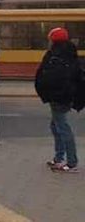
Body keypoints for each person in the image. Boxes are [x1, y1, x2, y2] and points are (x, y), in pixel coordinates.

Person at [34, 27, 84, 173]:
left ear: (53, 40)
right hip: (64, 96)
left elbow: (47, 75)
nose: (48, 42)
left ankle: (71, 162)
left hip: (58, 97)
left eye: (49, 39)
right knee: (56, 126)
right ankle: (59, 158)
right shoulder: (69, 54)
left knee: (62, 127)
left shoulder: (55, 55)